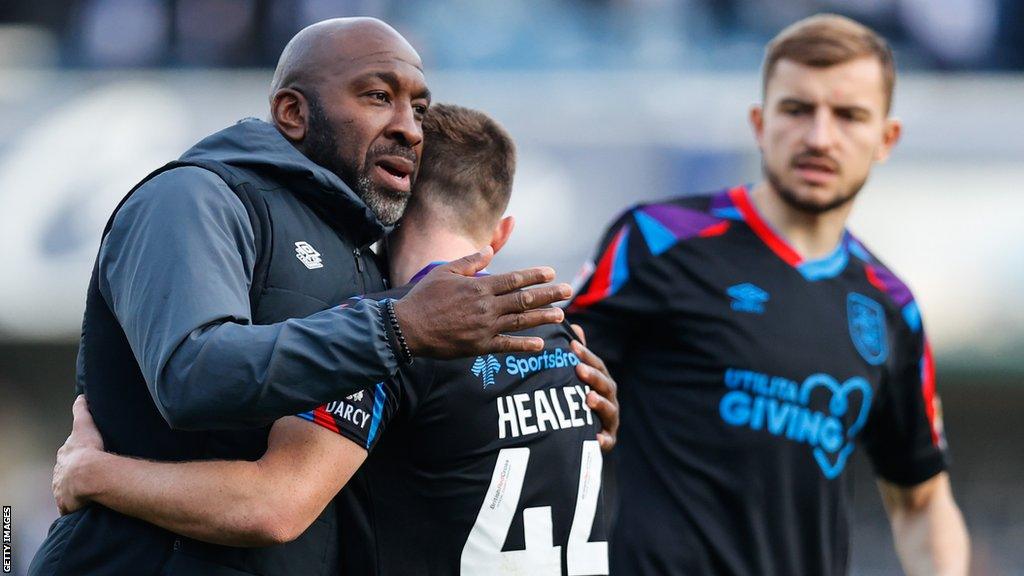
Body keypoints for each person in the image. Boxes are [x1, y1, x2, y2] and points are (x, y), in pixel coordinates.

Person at [30, 19, 580, 576]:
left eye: (417, 108)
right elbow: (192, 373)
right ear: (293, 112)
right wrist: (397, 329)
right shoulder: (193, 196)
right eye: (378, 96)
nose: (411, 128)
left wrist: (584, 389)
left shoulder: (364, 256)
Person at [568, 14, 969, 576]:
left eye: (849, 115)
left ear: (886, 138)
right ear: (759, 123)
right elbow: (542, 392)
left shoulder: (890, 305)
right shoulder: (657, 240)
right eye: (796, 109)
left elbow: (923, 500)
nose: (819, 137)